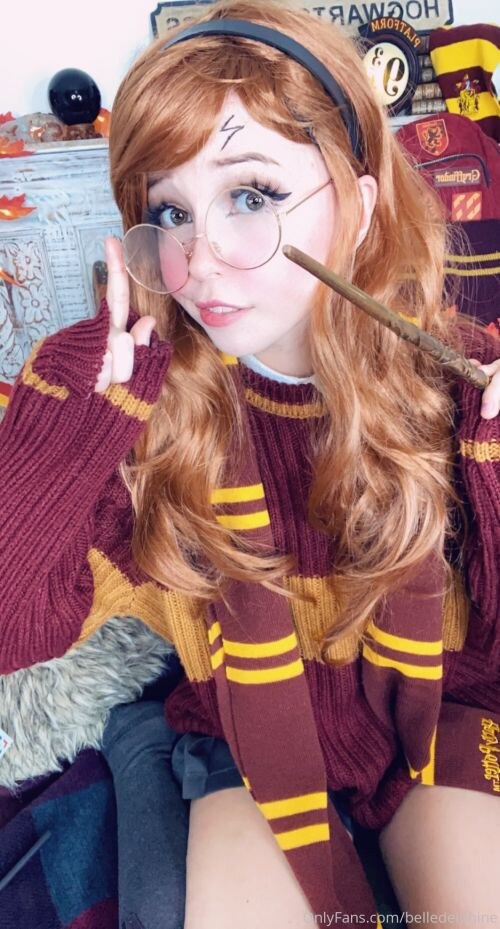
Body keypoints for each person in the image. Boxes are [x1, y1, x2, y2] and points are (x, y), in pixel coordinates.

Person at [1, 2, 500, 927]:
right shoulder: (142, 416)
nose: (201, 258)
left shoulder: (458, 386)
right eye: (169, 212)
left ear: (361, 205)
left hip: (439, 710)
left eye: (253, 195)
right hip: (242, 738)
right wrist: (60, 438)